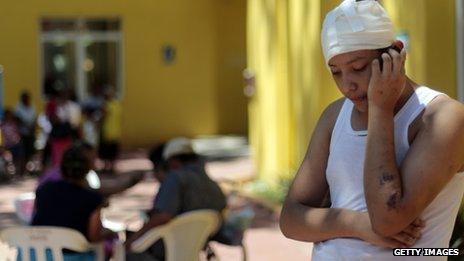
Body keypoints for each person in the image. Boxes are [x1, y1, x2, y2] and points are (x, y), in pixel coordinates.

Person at [279, 0, 464, 260]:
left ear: (396, 53)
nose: (347, 86)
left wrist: (380, 109)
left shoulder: (443, 117)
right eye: (336, 72)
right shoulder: (334, 116)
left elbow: (388, 220)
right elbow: (290, 218)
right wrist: (356, 224)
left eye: (358, 68)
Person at [125, 138, 227, 261]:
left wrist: (134, 238)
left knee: (129, 251)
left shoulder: (175, 178)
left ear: (172, 161)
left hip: (167, 249)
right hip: (195, 249)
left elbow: (163, 216)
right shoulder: (213, 185)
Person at [31, 142, 116, 259]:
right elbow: (94, 237)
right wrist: (110, 232)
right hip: (70, 256)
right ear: (87, 170)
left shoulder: (44, 189)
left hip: (35, 254)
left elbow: (35, 217)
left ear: (61, 168)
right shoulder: (92, 199)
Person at [99, 87, 122, 174]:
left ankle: (106, 167)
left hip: (107, 131)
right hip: (116, 131)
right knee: (113, 151)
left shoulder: (106, 105)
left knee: (106, 150)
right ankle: (112, 168)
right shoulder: (117, 104)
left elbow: (102, 116)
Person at [14, 91, 37, 170]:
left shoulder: (32, 107)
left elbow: (35, 119)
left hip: (31, 133)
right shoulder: (18, 107)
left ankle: (27, 168)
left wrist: (32, 127)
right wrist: (26, 126)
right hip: (22, 133)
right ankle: (21, 169)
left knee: (30, 151)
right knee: (22, 152)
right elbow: (17, 119)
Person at [0, 109, 24, 176]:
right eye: (8, 114)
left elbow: (17, 131)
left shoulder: (14, 123)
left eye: (10, 114)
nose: (9, 116)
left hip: (16, 143)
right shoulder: (2, 124)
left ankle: (18, 174)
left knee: (18, 159)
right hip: (8, 145)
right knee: (9, 160)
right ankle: (7, 175)